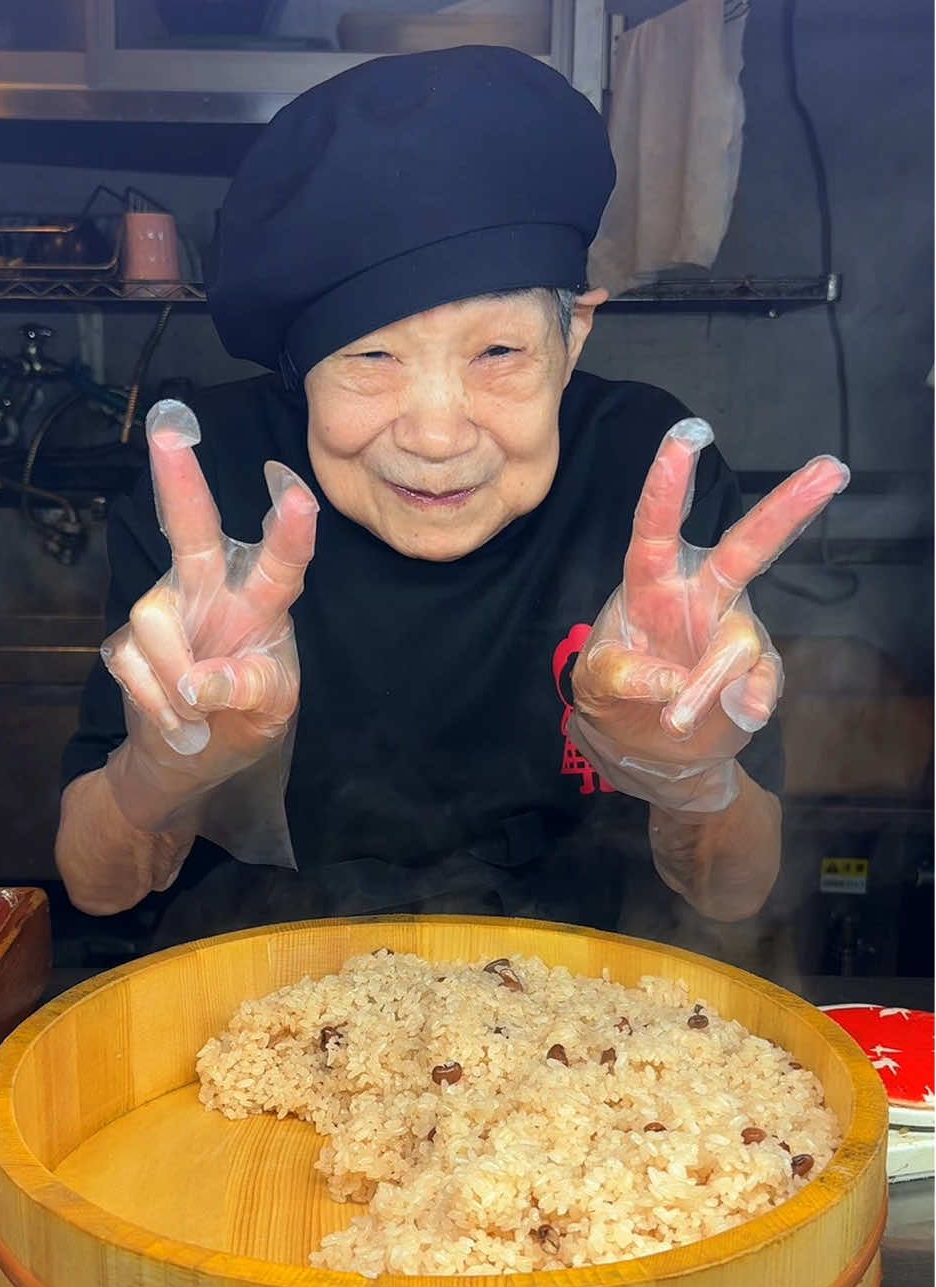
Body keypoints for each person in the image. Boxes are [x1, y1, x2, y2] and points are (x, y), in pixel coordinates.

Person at [56, 46, 847, 948]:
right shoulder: (209, 480)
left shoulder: (646, 471)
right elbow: (98, 885)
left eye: (498, 353)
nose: (437, 436)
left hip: (580, 1003)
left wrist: (691, 782)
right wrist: (162, 769)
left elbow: (736, 891)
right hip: (254, 977)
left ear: (572, 336)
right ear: (298, 369)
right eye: (370, 357)